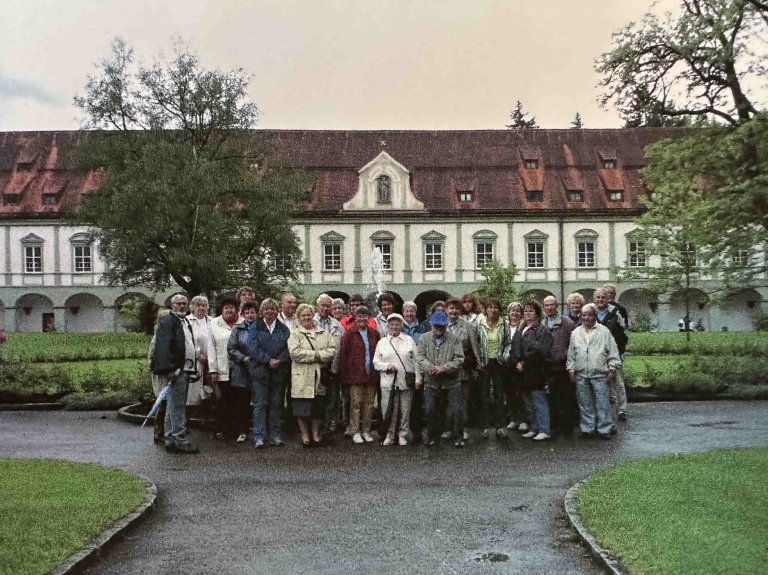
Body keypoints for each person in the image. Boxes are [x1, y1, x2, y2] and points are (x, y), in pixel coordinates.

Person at [150, 293, 199, 453]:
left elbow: (187, 345)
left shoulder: (183, 321)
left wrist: (192, 369)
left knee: (173, 406)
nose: (182, 306)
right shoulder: (168, 321)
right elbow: (163, 347)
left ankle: (171, 438)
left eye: (185, 303)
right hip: (175, 371)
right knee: (177, 406)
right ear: (172, 306)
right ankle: (179, 439)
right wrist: (169, 369)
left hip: (184, 369)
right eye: (178, 303)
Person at [566, 303, 622, 440]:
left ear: (595, 316)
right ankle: (587, 428)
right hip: (581, 373)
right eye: (584, 315)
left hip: (600, 373)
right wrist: (571, 370)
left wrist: (612, 368)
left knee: (603, 403)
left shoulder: (604, 332)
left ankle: (604, 429)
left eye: (590, 315)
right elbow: (571, 354)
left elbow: (613, 352)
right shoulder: (575, 333)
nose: (586, 318)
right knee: (585, 403)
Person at [288, 303, 336, 447]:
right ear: (298, 318)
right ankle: (304, 434)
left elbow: (332, 350)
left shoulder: (324, 333)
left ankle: (315, 433)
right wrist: (317, 355)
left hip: (319, 375)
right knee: (302, 407)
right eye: (303, 315)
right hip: (302, 376)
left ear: (312, 315)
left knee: (318, 407)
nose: (306, 317)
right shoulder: (295, 334)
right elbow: (295, 353)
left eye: (308, 314)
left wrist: (314, 355)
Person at [415, 309, 464, 447]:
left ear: (446, 325)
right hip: (431, 381)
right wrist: (429, 367)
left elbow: (459, 359)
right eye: (436, 326)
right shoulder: (424, 338)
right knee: (430, 410)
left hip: (451, 381)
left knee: (455, 410)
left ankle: (458, 437)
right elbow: (419, 356)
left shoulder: (454, 339)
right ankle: (432, 437)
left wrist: (444, 368)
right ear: (431, 325)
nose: (438, 329)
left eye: (441, 326)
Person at [247, 298, 291, 448]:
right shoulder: (255, 327)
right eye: (266, 309)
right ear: (262, 311)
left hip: (278, 371)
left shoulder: (283, 329)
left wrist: (278, 360)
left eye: (272, 309)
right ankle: (259, 436)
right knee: (260, 404)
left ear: (276, 311)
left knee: (276, 404)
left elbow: (288, 348)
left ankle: (276, 435)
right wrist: (267, 360)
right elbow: (252, 347)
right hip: (260, 372)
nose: (269, 311)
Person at [511, 300, 553, 441]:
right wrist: (516, 361)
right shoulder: (520, 328)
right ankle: (533, 428)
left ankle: (544, 430)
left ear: (537, 313)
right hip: (522, 372)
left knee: (538, 400)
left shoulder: (542, 330)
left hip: (536, 371)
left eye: (531, 310)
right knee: (527, 401)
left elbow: (540, 351)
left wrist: (524, 362)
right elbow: (515, 348)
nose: (528, 313)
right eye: (526, 311)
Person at [373, 313, 417, 446]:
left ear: (401, 325)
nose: (394, 327)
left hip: (406, 381)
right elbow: (376, 362)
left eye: (397, 324)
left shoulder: (409, 340)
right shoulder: (382, 342)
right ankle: (390, 435)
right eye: (391, 324)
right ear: (387, 326)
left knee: (405, 410)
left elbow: (416, 361)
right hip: (388, 382)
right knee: (389, 410)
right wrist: (387, 366)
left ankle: (402, 435)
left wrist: (418, 379)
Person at [338, 306, 380, 444]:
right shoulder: (349, 334)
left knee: (368, 404)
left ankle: (366, 430)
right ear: (354, 318)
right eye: (359, 316)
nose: (362, 318)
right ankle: (355, 431)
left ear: (369, 318)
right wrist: (345, 375)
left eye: (365, 316)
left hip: (371, 374)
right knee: (355, 404)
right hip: (355, 375)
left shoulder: (374, 334)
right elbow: (343, 356)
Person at [208, 297, 247, 442]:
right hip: (222, 368)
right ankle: (222, 429)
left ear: (237, 309)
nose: (230, 310)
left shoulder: (243, 322)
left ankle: (240, 431)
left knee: (240, 400)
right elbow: (211, 347)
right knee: (223, 401)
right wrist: (213, 369)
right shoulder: (214, 324)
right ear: (222, 309)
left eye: (232, 307)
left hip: (240, 369)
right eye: (226, 308)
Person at [445, 297, 480, 447]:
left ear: (460, 311)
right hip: (445, 370)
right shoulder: (441, 324)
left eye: (456, 308)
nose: (454, 311)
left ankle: (463, 429)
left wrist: (477, 366)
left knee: (462, 402)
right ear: (446, 310)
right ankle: (450, 429)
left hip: (463, 369)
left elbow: (474, 346)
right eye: (451, 308)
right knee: (448, 402)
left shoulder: (467, 326)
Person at [542, 295, 577, 436]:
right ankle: (555, 427)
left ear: (557, 306)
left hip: (563, 366)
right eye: (546, 305)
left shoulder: (567, 322)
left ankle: (568, 428)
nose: (549, 308)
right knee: (552, 398)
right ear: (543, 307)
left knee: (566, 397)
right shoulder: (542, 323)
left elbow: (573, 345)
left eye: (552, 305)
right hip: (548, 367)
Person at [593, 288, 629, 425]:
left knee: (618, 382)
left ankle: (622, 409)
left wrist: (620, 351)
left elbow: (623, 333)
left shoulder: (616, 312)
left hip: (614, 353)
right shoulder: (592, 313)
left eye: (603, 297)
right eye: (598, 297)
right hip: (597, 354)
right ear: (594, 298)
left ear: (607, 298)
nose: (600, 300)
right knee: (603, 382)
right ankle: (606, 409)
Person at [227, 301, 259, 442]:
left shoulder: (262, 328)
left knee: (259, 402)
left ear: (257, 314)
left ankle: (260, 431)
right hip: (241, 371)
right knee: (242, 403)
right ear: (242, 314)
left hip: (259, 370)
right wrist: (243, 358)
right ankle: (242, 431)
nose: (250, 315)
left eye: (252, 312)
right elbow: (231, 349)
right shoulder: (237, 329)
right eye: (247, 313)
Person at [475, 297, 507, 438]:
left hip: (499, 362)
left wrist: (504, 356)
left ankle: (500, 426)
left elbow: (508, 343)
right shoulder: (479, 323)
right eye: (490, 307)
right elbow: (475, 342)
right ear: (485, 309)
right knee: (484, 394)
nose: (493, 310)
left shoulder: (504, 324)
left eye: (496, 307)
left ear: (499, 310)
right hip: (484, 362)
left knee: (499, 395)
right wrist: (478, 360)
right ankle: (485, 426)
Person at [314, 294, 344, 439]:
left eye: (328, 306)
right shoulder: (309, 321)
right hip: (315, 368)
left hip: (333, 369)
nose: (325, 308)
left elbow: (341, 347)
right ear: (317, 306)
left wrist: (335, 368)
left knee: (331, 401)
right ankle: (314, 431)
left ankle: (326, 430)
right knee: (316, 401)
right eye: (322, 305)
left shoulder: (338, 325)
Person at [502, 302, 527, 434]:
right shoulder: (504, 326)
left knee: (521, 392)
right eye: (512, 310)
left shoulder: (524, 326)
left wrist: (521, 361)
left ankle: (523, 420)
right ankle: (513, 418)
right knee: (509, 393)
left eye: (518, 311)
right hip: (506, 365)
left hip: (519, 364)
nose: (515, 313)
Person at [148, 308, 171, 443]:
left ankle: (165, 430)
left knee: (167, 402)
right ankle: (158, 432)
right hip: (162, 374)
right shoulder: (159, 336)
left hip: (168, 372)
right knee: (162, 401)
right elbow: (153, 357)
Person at [186, 295, 213, 412]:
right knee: (192, 392)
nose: (201, 308)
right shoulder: (187, 320)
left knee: (209, 390)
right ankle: (186, 420)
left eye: (204, 305)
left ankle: (206, 420)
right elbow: (187, 340)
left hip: (210, 361)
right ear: (192, 307)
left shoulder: (212, 321)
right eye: (198, 305)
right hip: (194, 362)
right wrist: (198, 354)